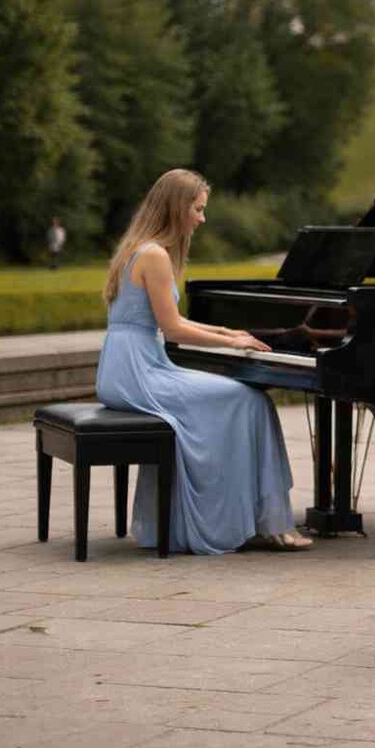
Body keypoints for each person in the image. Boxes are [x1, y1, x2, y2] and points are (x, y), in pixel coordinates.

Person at [96, 169, 311, 554]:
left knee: (244, 401)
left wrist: (227, 331)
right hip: (140, 373)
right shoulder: (155, 256)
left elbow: (170, 320)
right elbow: (172, 329)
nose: (202, 218)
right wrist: (230, 342)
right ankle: (263, 521)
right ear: (177, 208)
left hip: (122, 370)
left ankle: (255, 517)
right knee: (251, 401)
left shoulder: (136, 248)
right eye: (197, 209)